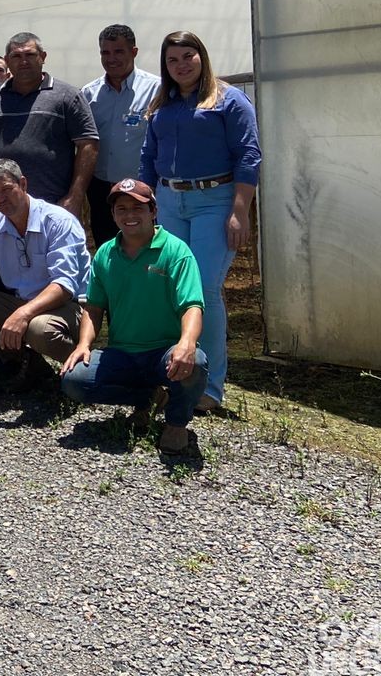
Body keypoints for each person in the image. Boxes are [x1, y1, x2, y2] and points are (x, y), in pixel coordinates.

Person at [139, 29, 260, 415]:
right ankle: (173, 371)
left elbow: (249, 156)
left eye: (188, 56)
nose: (181, 65)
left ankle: (209, 387)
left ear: (201, 57)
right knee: (169, 288)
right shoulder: (161, 106)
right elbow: (148, 158)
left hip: (215, 200)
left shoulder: (228, 100)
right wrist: (146, 205)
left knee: (205, 290)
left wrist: (239, 211)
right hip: (170, 201)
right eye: (172, 59)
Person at [60, 179, 207, 456]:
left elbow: (192, 306)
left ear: (153, 211)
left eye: (137, 208)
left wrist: (186, 343)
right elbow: (93, 308)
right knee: (73, 379)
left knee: (195, 362)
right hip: (123, 354)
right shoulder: (105, 253)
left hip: (165, 353)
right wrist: (83, 345)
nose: (129, 216)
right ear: (113, 215)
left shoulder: (176, 252)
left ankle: (176, 423)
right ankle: (149, 398)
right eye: (121, 209)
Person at [0, 159, 90, 391]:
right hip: (21, 302)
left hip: (67, 305)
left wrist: (23, 313)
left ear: (23, 184)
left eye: (6, 190)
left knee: (39, 330)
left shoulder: (58, 221)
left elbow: (64, 284)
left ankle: (85, 372)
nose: (0, 199)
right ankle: (29, 363)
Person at [0, 32, 99, 225]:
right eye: (17, 56)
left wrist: (75, 196)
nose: (23, 61)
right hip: (2, 207)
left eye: (30, 55)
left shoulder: (68, 96)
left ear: (43, 57)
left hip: (54, 207)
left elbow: (88, 145)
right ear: (7, 61)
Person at [81, 24, 162, 247]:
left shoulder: (156, 89)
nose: (111, 59)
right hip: (102, 189)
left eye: (119, 52)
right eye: (105, 53)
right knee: (107, 245)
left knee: (147, 246)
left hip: (143, 188)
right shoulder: (89, 94)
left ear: (134, 52)